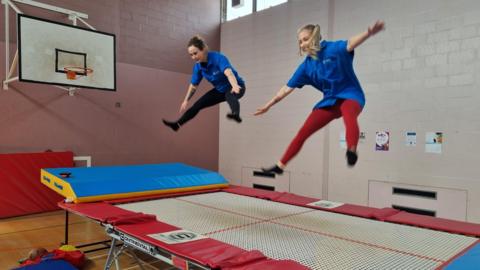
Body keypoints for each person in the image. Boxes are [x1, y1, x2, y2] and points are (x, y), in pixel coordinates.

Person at [255, 20, 385, 174]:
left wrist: (368, 33)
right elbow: (286, 89)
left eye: (305, 39)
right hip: (330, 101)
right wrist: (269, 105)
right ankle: (280, 165)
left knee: (349, 116)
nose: (302, 44)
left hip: (351, 94)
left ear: (315, 38)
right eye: (300, 42)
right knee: (303, 131)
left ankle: (351, 150)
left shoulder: (332, 49)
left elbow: (350, 43)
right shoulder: (306, 66)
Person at [163, 35, 246, 131]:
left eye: (195, 53)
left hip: (237, 86)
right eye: (191, 55)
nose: (193, 57)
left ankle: (235, 114)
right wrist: (186, 100)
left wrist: (235, 86)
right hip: (219, 91)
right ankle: (177, 125)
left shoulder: (218, 58)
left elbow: (229, 73)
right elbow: (193, 86)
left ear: (203, 49)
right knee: (197, 105)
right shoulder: (198, 67)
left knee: (229, 95)